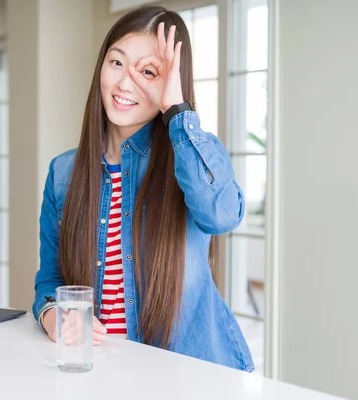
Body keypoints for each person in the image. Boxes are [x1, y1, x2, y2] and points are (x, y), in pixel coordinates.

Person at [32, 5, 254, 372]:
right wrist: (53, 313)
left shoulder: (190, 157)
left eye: (148, 72)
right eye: (117, 62)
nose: (124, 83)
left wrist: (177, 110)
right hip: (102, 372)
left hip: (194, 376)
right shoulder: (64, 172)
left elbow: (222, 214)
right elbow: (51, 279)